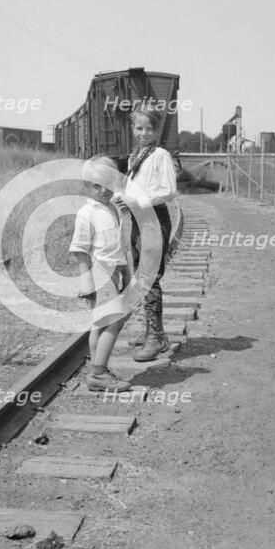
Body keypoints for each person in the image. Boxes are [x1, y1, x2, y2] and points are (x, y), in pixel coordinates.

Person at [115, 108, 178, 362]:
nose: (144, 133)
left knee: (150, 278)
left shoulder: (160, 155)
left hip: (153, 220)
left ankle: (156, 338)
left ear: (156, 130)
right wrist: (122, 198)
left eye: (149, 129)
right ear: (133, 129)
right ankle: (154, 332)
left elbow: (168, 191)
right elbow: (132, 189)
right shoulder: (136, 157)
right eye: (139, 128)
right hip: (139, 220)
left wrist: (136, 202)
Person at [69, 156, 132, 392]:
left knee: (99, 324)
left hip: (112, 272)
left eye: (108, 183)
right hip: (98, 272)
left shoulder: (112, 208)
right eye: (97, 185)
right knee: (113, 321)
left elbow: (117, 244)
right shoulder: (87, 213)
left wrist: (124, 270)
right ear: (86, 186)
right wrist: (86, 279)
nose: (104, 190)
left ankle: (96, 371)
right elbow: (79, 250)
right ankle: (99, 373)